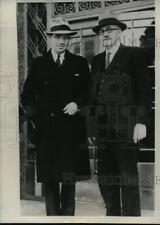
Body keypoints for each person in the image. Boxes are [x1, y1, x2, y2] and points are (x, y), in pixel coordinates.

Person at [21, 17, 91, 216]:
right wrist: (36, 120)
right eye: (57, 37)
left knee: (69, 180)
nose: (62, 41)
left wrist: (77, 104)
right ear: (50, 38)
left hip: (71, 133)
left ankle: (68, 218)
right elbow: (26, 96)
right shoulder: (38, 64)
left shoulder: (79, 63)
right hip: (47, 133)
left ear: (69, 40)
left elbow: (88, 93)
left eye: (66, 38)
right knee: (50, 181)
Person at [91, 17, 152, 216]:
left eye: (110, 30)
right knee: (106, 178)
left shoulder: (134, 55)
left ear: (120, 32)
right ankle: (113, 216)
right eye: (102, 31)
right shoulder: (98, 60)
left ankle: (132, 218)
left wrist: (142, 122)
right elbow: (94, 96)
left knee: (127, 177)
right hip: (103, 130)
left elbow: (145, 91)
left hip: (127, 127)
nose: (105, 34)